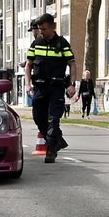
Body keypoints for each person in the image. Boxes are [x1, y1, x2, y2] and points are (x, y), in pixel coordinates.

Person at [24, 14, 74, 163]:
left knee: (53, 120)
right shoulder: (36, 43)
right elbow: (28, 65)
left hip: (56, 88)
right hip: (40, 87)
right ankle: (57, 141)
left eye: (44, 29)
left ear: (52, 27)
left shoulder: (62, 43)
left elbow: (72, 64)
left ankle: (51, 150)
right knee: (38, 117)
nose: (41, 32)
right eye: (39, 29)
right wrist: (28, 84)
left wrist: (72, 84)